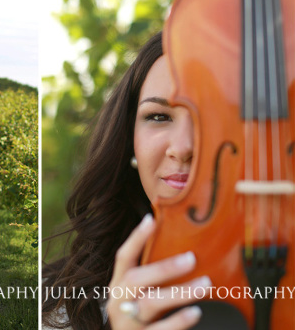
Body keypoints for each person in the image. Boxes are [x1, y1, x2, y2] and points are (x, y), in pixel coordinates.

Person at [42, 32, 208, 330]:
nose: (183, 147)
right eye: (158, 116)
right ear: (130, 141)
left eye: (209, 117)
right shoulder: (51, 306)